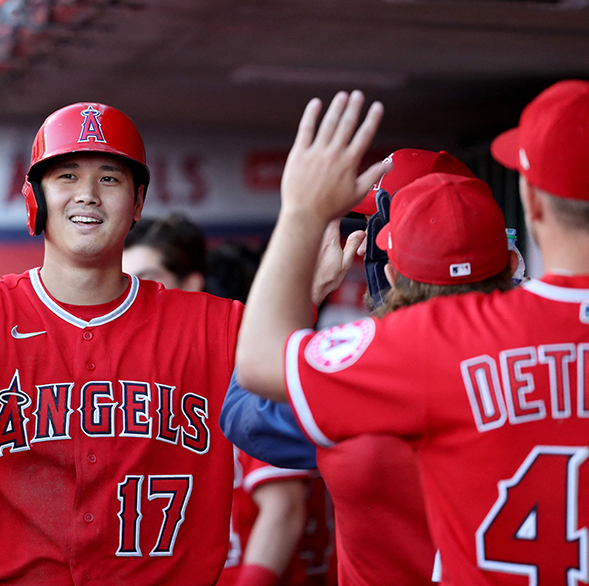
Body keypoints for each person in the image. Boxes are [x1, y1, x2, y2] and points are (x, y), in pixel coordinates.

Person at [236, 85, 589, 584]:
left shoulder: (440, 341)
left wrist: (303, 213)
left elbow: (256, 369)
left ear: (530, 202)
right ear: (511, 257)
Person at [0, 101, 249, 585]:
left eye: (109, 179)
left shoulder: (214, 324)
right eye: (66, 177)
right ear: (34, 198)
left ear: (138, 202)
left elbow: (294, 358)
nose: (88, 195)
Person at [223, 148, 494, 585]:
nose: (364, 245)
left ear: (389, 266)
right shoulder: (551, 341)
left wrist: (308, 292)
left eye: (377, 231)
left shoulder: (362, 370)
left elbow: (247, 416)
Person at [123, 214, 313, 586]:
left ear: (192, 285)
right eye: (124, 282)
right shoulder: (126, 384)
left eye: (148, 279)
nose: (134, 294)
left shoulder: (238, 364)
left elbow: (284, 506)